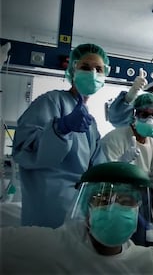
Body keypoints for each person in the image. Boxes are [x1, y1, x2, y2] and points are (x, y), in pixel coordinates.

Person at [0, 162, 153, 275]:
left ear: (137, 209)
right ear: (87, 210)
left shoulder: (146, 262)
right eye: (103, 199)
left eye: (126, 200)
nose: (114, 207)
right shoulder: (49, 247)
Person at [12, 43, 109, 228]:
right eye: (85, 68)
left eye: (99, 69)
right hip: (48, 209)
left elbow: (98, 170)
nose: (93, 73)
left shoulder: (91, 123)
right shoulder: (51, 101)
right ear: (73, 71)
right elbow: (25, 148)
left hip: (80, 210)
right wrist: (60, 129)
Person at [100, 92, 153, 240]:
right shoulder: (114, 139)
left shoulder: (151, 143)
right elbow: (101, 180)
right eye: (144, 114)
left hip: (139, 204)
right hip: (113, 206)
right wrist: (120, 166)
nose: (150, 119)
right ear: (134, 115)